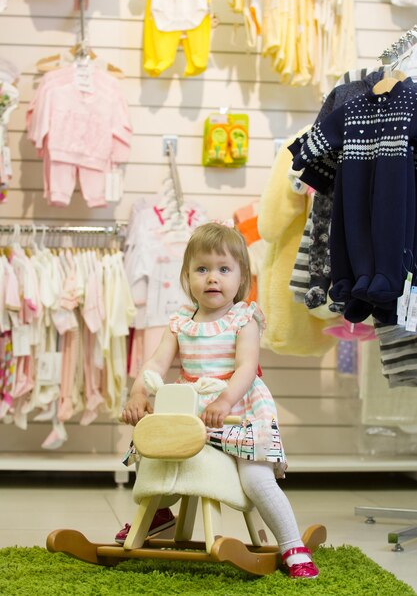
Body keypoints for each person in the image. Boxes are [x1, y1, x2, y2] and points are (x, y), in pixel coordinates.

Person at [121, 222, 319, 579]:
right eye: (202, 269)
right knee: (155, 457)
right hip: (193, 409)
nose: (213, 278)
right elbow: (156, 363)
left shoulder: (244, 318)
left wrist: (226, 400)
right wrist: (138, 391)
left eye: (224, 269)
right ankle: (160, 515)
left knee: (256, 481)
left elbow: (245, 368)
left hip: (237, 410)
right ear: (187, 276)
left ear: (241, 277)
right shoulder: (181, 322)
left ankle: (292, 544)